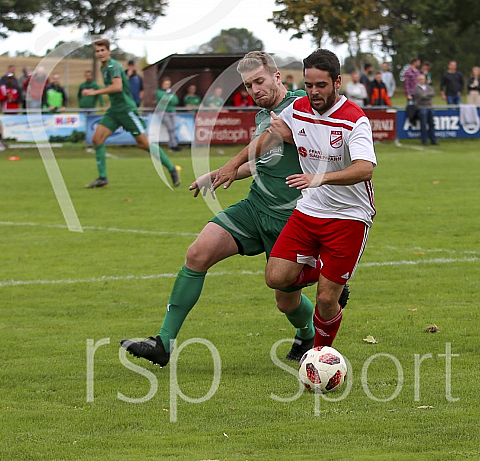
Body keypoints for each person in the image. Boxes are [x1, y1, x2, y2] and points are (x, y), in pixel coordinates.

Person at [121, 51, 345, 366]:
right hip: (256, 206)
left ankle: (309, 330)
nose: (254, 90)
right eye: (248, 85)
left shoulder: (300, 105)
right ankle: (164, 343)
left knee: (286, 302)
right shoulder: (260, 116)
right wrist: (218, 175)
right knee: (198, 253)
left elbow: (311, 130)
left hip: (292, 217)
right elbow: (259, 162)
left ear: (277, 77)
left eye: (260, 81)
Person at [212, 48, 376, 349]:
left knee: (327, 299)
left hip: (349, 215)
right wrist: (233, 164)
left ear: (337, 82)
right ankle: (326, 271)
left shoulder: (355, 119)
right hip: (310, 209)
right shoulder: (298, 107)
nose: (313, 92)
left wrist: (320, 178)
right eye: (309, 84)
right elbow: (270, 137)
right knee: (276, 278)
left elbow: (365, 169)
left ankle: (319, 355)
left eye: (321, 86)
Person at [81, 39, 181, 188]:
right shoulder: (104, 67)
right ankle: (103, 178)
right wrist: (110, 103)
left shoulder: (113, 66)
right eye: (97, 51)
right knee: (97, 139)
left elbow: (117, 87)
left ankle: (171, 168)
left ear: (109, 51)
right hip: (115, 110)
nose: (100, 53)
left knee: (144, 144)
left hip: (127, 111)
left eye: (102, 50)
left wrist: (95, 92)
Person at [156, 77, 182, 152]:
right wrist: (169, 99)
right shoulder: (159, 92)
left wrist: (168, 100)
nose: (167, 85)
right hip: (164, 111)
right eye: (166, 84)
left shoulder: (171, 93)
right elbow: (162, 99)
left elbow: (175, 101)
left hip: (172, 111)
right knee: (171, 128)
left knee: (173, 128)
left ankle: (174, 145)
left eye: (168, 84)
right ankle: (172, 145)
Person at [414, 73, 438, 146]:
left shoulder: (429, 87)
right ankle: (424, 141)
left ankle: (433, 140)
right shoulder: (416, 88)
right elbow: (420, 96)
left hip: (430, 107)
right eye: (420, 79)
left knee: (432, 124)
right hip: (421, 107)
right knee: (423, 124)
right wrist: (428, 96)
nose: (422, 81)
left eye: (423, 79)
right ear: (418, 80)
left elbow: (433, 93)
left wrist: (426, 95)